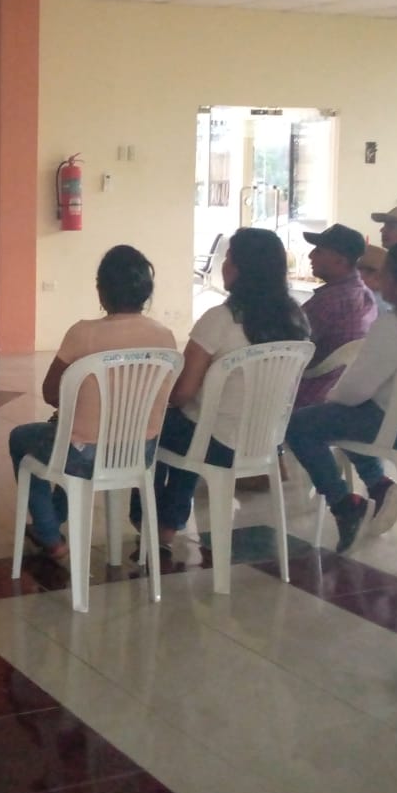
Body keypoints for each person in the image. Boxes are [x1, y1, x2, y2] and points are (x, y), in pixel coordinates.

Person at [287, 241, 397, 552]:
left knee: (300, 425)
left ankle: (344, 504)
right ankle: (379, 486)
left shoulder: (394, 325)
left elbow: (355, 391)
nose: (379, 281)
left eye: (385, 274)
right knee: (343, 417)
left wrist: (332, 398)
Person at [11, 245, 177, 562]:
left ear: (102, 290)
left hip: (83, 455)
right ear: (146, 291)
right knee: (65, 438)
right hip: (139, 452)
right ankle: (54, 519)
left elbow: (50, 392)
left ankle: (49, 534)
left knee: (21, 438)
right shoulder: (165, 337)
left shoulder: (82, 333)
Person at [149, 229, 309, 552]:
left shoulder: (219, 320)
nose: (224, 264)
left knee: (155, 427)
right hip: (267, 441)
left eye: (230, 257)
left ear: (243, 268)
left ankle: (155, 522)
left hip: (217, 443)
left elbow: (182, 392)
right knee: (193, 424)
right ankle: (168, 521)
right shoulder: (297, 320)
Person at [295, 223, 379, 409]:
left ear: (340, 261)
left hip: (308, 396)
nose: (310, 256)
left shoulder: (329, 301)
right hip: (340, 392)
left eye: (319, 251)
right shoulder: (366, 295)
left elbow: (286, 347)